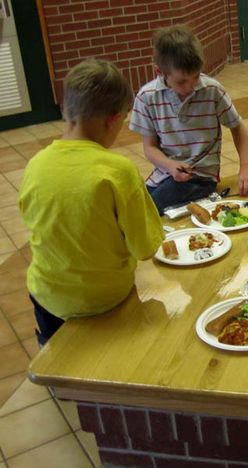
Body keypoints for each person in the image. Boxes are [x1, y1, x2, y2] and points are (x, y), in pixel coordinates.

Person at [18, 59, 164, 346]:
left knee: (57, 351)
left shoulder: (35, 165)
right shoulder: (117, 170)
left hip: (47, 296)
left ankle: (53, 357)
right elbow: (145, 248)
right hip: (104, 299)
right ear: (111, 120)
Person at [130, 24, 248, 214]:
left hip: (201, 177)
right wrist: (170, 165)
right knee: (133, 205)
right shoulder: (146, 97)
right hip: (164, 174)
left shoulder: (212, 90)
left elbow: (237, 127)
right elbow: (149, 147)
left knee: (147, 212)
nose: (190, 86)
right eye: (182, 81)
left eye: (196, 77)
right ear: (160, 72)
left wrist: (246, 166)